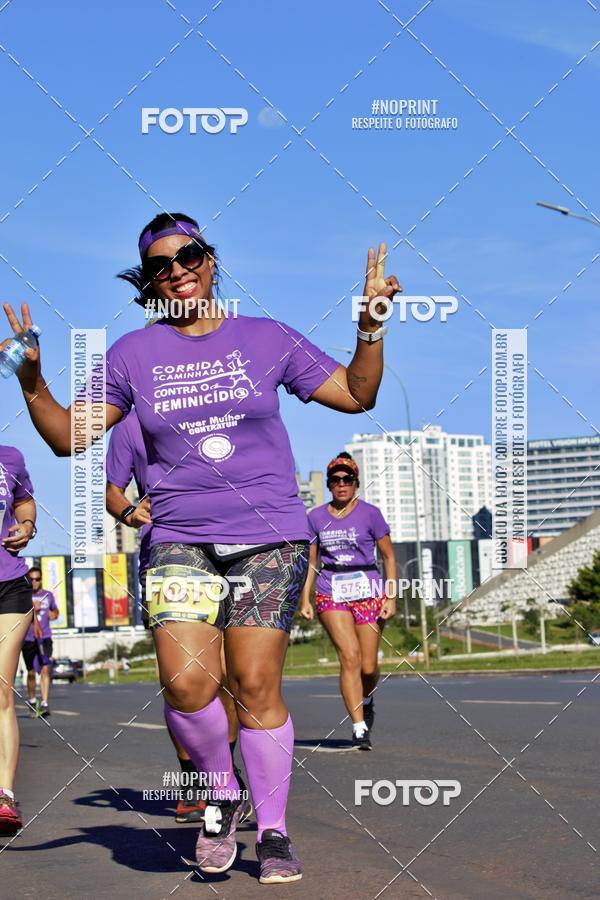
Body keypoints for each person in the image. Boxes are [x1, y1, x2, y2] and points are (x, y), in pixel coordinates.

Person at [2, 211, 400, 883]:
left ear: (210, 260)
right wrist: (31, 378)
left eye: (188, 255)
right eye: (160, 265)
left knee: (255, 684)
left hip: (269, 536)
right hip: (179, 539)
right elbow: (69, 438)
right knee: (187, 685)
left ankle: (272, 831)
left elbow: (358, 394)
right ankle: (220, 793)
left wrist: (371, 324)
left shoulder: (266, 336)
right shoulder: (132, 355)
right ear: (148, 281)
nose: (178, 270)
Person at [105, 409, 251, 826]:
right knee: (181, 679)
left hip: (232, 548)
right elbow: (113, 491)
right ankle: (192, 781)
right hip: (167, 553)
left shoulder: (215, 408)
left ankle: (223, 774)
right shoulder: (129, 426)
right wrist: (129, 512)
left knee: (226, 675)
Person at [300, 452, 398, 750]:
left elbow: (389, 557)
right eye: (335, 480)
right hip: (331, 591)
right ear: (329, 484)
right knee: (350, 657)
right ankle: (358, 727)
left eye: (347, 479)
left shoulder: (370, 514)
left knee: (368, 667)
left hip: (368, 590)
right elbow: (311, 563)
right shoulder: (315, 517)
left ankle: (366, 700)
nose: (341, 484)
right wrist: (305, 598)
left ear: (356, 483)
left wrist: (391, 596)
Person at [0, 445, 37, 833]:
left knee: (0, 690)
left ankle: (4, 796)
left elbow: (24, 501)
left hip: (8, 585)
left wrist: (26, 525)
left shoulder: (9, 457)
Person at [21, 566, 59, 717]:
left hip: (45, 637)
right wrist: (32, 609)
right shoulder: (23, 596)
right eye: (31, 579)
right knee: (31, 672)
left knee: (45, 668)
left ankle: (44, 703)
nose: (34, 582)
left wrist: (54, 614)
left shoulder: (48, 595)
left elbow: (56, 610)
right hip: (28, 638)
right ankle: (32, 701)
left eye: (37, 579)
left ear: (41, 579)